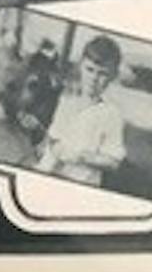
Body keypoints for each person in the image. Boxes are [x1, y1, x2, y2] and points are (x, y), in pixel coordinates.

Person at [37, 35, 128, 187]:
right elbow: (53, 139)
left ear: (112, 76)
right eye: (90, 70)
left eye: (102, 73)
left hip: (81, 182)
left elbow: (113, 162)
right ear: (80, 66)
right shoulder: (66, 101)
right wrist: (50, 145)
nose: (94, 78)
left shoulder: (111, 114)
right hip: (50, 172)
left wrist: (81, 157)